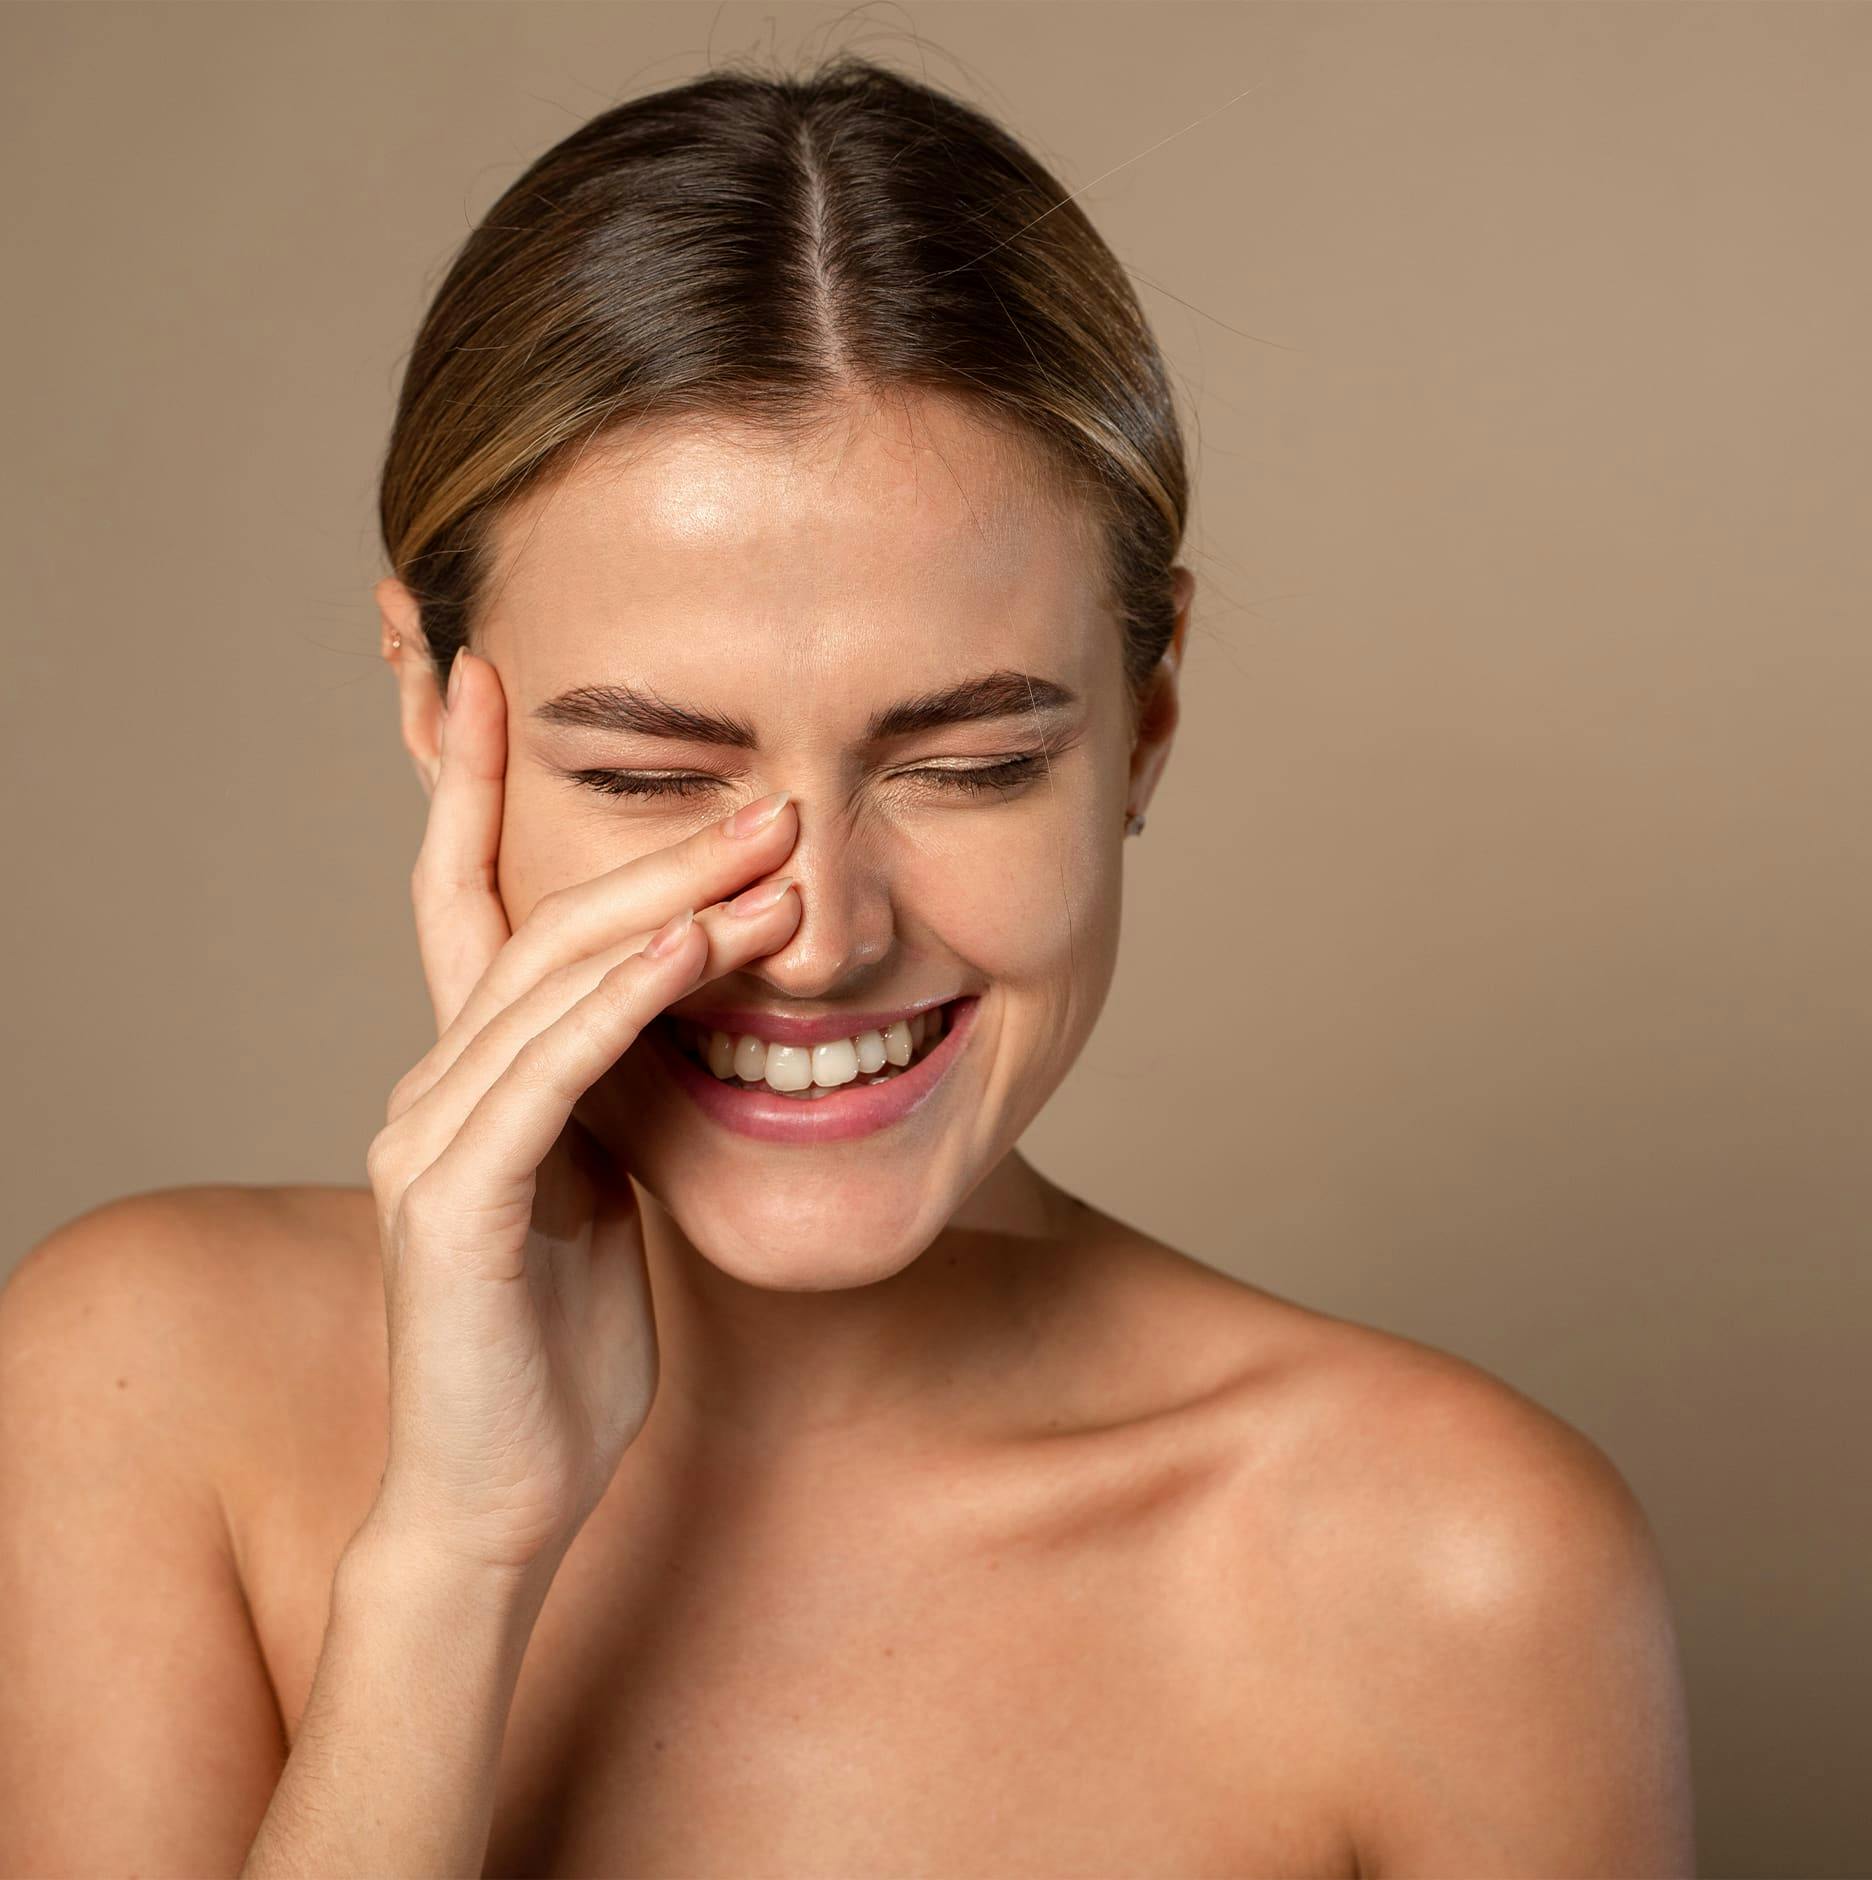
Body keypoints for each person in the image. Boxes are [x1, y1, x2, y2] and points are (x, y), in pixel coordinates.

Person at [0, 52, 1695, 1877]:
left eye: (968, 766)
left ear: (1151, 713)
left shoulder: (1451, 1568)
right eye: (652, 777)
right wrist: (451, 1563)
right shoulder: (136, 1387)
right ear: (431, 705)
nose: (816, 934)